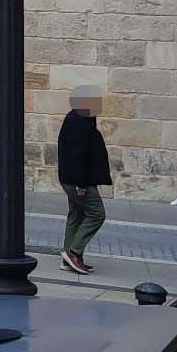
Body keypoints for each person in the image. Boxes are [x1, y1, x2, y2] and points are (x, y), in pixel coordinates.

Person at [56, 88, 111, 275]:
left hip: (75, 179)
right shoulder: (77, 122)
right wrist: (81, 183)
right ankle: (73, 252)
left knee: (76, 214)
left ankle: (69, 259)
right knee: (97, 214)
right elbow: (76, 155)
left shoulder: (81, 118)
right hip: (78, 181)